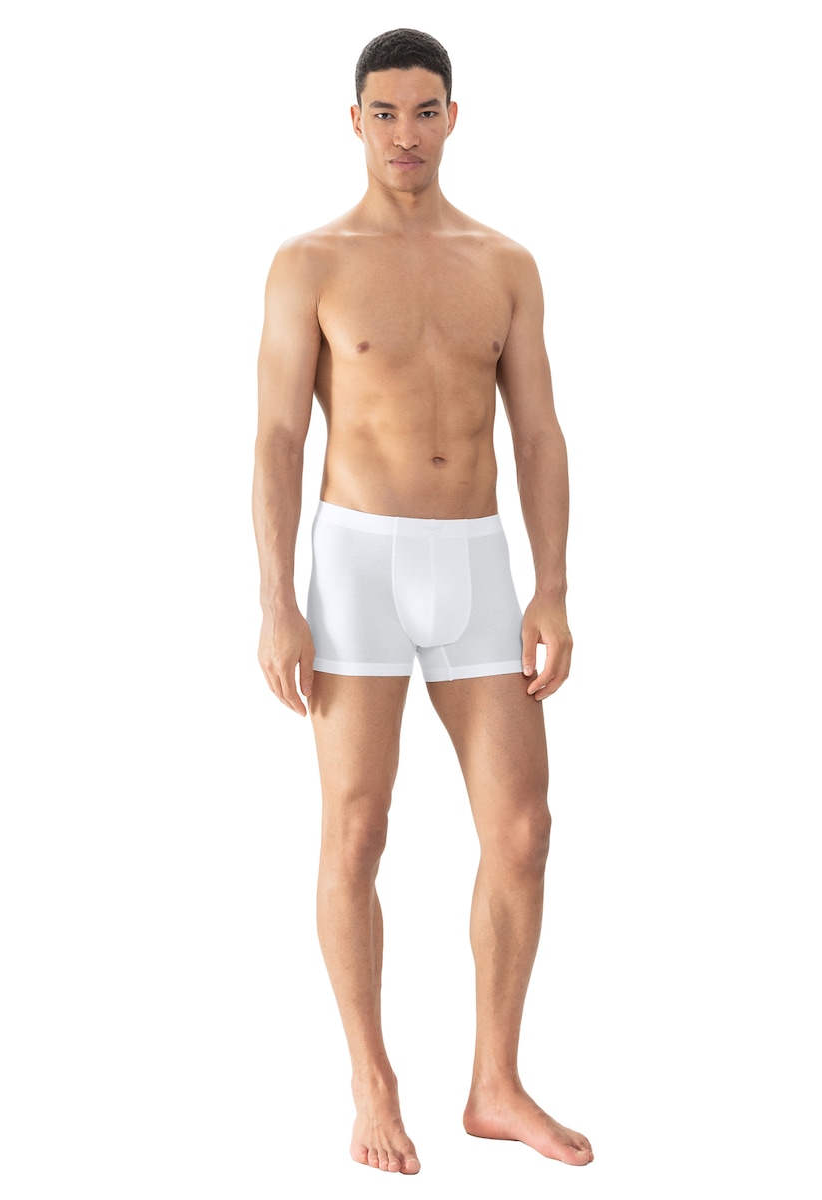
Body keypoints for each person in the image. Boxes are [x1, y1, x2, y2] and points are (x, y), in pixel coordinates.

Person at [253, 28, 592, 1175]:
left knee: (524, 831)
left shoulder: (505, 263)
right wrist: (275, 599)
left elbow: (539, 434)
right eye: (386, 112)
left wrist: (552, 586)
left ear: (454, 117)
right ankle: (372, 1080)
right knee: (357, 828)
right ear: (355, 121)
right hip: (356, 563)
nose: (406, 133)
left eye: (426, 110)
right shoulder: (309, 261)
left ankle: (495, 1083)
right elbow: (278, 438)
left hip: (478, 562)